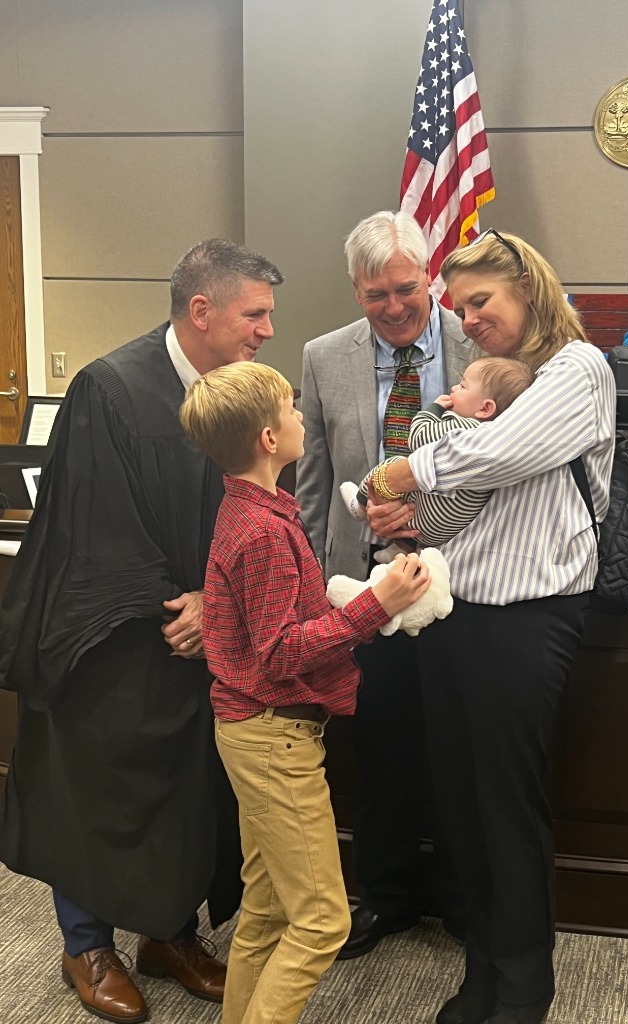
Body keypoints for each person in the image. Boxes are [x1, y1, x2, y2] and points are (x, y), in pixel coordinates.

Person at [0, 239, 284, 1024]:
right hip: (110, 639)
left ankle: (168, 933)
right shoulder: (112, 389)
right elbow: (97, 533)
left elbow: (249, 507)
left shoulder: (234, 392)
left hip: (199, 639)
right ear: (203, 310)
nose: (266, 330)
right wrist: (177, 602)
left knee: (187, 790)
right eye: (254, 314)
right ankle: (86, 944)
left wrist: (215, 600)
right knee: (96, 788)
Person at [365, 229, 616, 1024]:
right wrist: (403, 516)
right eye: (459, 307)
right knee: (462, 810)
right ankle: (482, 978)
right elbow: (467, 507)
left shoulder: (578, 369)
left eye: (482, 302)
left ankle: (523, 989)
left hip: (527, 623)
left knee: (505, 810)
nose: (466, 319)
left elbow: (503, 451)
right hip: (454, 615)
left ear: (528, 293)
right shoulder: (492, 380)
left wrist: (412, 468)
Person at [179, 361, 431, 1024]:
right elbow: (282, 651)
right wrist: (374, 607)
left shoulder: (255, 513)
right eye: (291, 411)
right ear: (268, 438)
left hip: (260, 731)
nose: (300, 419)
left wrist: (363, 611)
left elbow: (285, 625)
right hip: (271, 738)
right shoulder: (262, 531)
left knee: (264, 910)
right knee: (321, 922)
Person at [295, 209, 471, 958]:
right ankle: (388, 897)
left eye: (405, 289)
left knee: (464, 751)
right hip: (365, 595)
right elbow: (309, 487)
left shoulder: (482, 346)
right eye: (375, 295)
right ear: (355, 290)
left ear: (430, 277)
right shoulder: (322, 356)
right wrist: (304, 582)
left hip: (467, 583)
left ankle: (466, 901)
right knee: (383, 754)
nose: (394, 307)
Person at [341, 356, 535, 559]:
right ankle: (402, 548)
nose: (453, 389)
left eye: (462, 386)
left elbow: (417, 438)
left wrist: (434, 409)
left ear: (485, 409)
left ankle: (360, 504)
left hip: (424, 518)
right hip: (449, 528)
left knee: (395, 465)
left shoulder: (462, 427)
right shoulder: (496, 436)